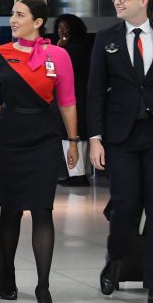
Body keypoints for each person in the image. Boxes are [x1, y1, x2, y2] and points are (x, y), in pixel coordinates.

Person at [89, 0, 153, 303]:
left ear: (144, 1)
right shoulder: (106, 39)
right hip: (120, 136)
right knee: (125, 206)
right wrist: (95, 138)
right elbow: (96, 91)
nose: (117, 1)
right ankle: (114, 260)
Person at [0, 0, 79, 303]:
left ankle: (43, 286)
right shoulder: (1, 55)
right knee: (10, 211)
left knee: (42, 210)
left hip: (44, 139)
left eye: (19, 14)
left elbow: (67, 101)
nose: (13, 19)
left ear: (38, 22)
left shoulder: (59, 55)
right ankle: (6, 274)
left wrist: (74, 141)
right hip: (9, 139)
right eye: (12, 13)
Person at [52, 14, 93, 186]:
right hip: (80, 97)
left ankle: (77, 174)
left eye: (65, 27)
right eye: (60, 27)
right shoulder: (81, 47)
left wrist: (58, 48)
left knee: (71, 132)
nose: (62, 30)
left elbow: (54, 68)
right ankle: (79, 173)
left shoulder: (71, 50)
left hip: (73, 97)